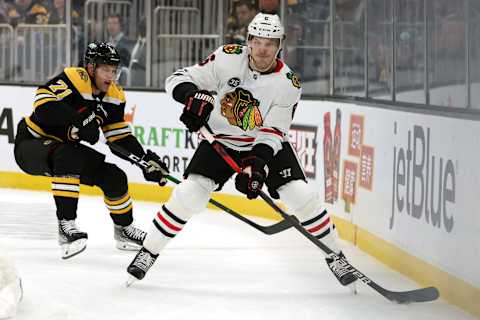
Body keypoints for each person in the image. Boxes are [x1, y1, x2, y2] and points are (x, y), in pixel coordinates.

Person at [126, 13, 356, 288]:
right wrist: (192, 97)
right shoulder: (226, 57)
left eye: (270, 43)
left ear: (280, 46)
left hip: (264, 144)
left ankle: (335, 256)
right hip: (220, 141)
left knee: (302, 196)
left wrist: (256, 165)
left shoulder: (288, 83)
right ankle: (148, 251)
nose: (263, 49)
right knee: (189, 195)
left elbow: (273, 132)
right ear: (248, 40)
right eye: (258, 42)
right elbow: (176, 79)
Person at [13, 41, 169, 259]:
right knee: (68, 154)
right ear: (90, 67)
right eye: (105, 69)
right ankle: (66, 227)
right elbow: (43, 104)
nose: (111, 75)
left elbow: (119, 137)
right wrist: (77, 119)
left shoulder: (114, 96)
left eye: (114, 70)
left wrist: (143, 161)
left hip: (66, 152)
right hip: (31, 144)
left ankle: (124, 231)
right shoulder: (74, 79)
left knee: (114, 176)